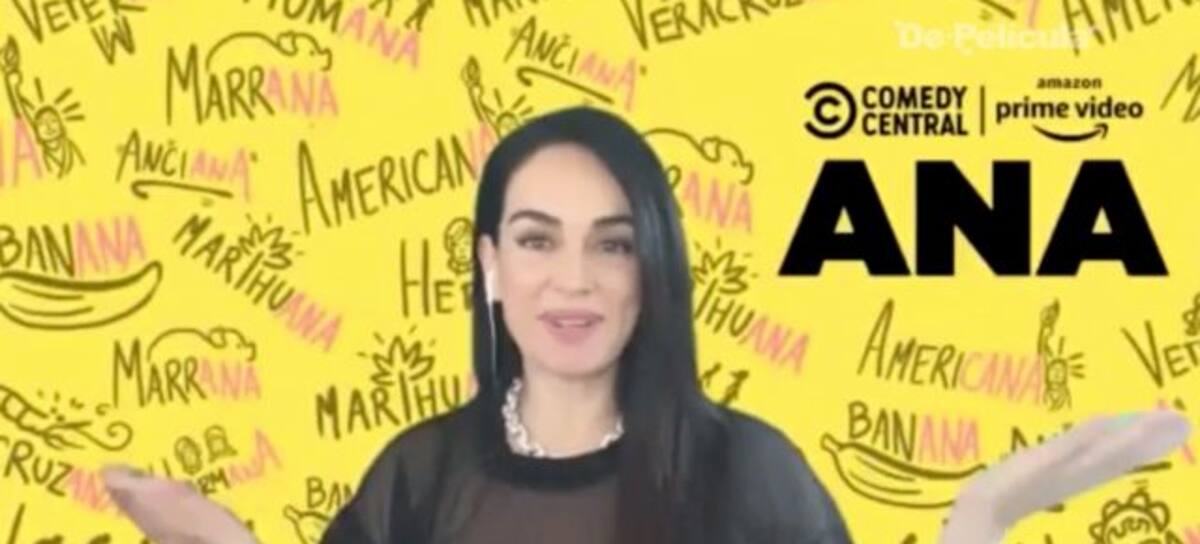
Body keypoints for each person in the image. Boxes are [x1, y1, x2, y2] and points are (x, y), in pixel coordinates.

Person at [99, 106, 1194, 544]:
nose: (573, 281)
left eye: (613, 243)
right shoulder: (419, 479)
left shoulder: (747, 472)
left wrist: (981, 514)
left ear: (652, 269)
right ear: (490, 267)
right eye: (537, 240)